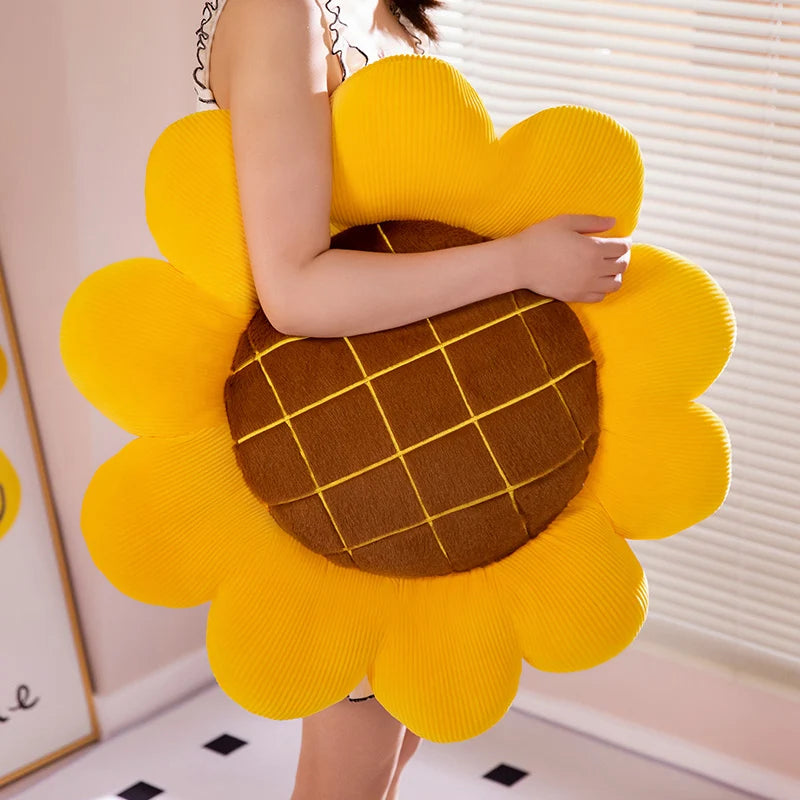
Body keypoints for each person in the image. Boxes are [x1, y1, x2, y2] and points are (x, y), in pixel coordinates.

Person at [193, 1, 631, 797]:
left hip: (424, 424)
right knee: (347, 773)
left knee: (392, 754)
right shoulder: (277, 12)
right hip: (350, 453)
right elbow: (293, 288)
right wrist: (516, 263)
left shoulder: (384, 6)